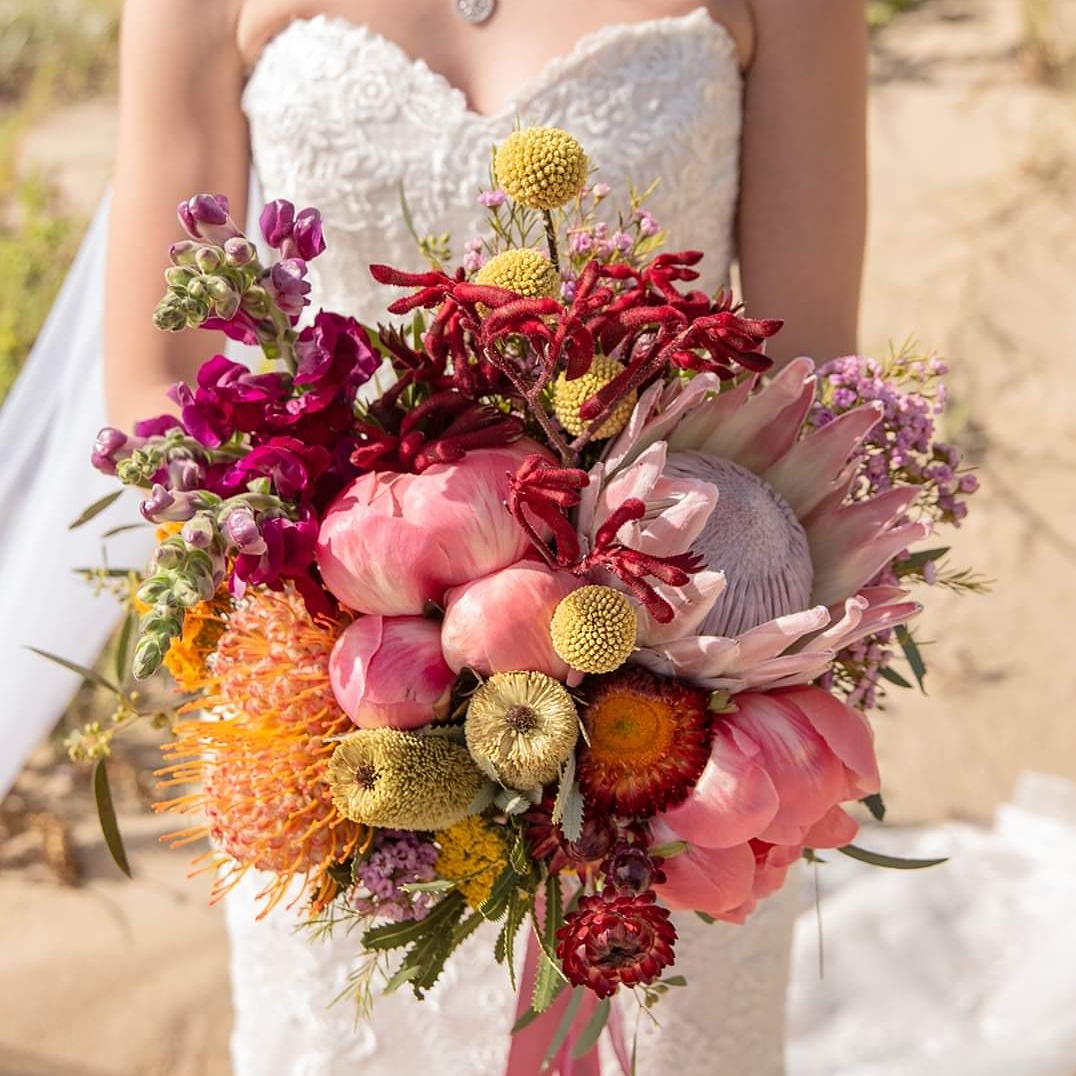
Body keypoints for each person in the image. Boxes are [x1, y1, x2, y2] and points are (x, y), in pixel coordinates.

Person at [3, 0, 868, 1072]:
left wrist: (679, 655)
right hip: (340, 701)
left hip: (669, 710)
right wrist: (347, 617)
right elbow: (157, 387)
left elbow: (810, 389)